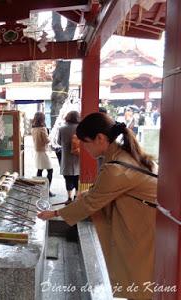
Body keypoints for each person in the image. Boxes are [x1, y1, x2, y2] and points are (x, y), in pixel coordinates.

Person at [38, 112, 157, 299]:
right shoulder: (121, 154)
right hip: (148, 225)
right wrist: (89, 193)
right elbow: (100, 192)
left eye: (85, 142)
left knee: (140, 281)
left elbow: (90, 203)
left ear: (100, 138)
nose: (83, 148)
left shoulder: (116, 168)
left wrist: (54, 214)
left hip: (146, 230)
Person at [31, 112, 55, 197]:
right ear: (42, 119)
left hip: (37, 152)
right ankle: (47, 190)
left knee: (40, 170)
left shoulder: (33, 128)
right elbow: (47, 140)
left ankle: (38, 190)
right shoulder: (42, 129)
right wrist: (51, 136)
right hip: (43, 152)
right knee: (50, 170)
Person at [58, 111, 80, 203]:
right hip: (78, 157)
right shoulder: (80, 129)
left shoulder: (62, 129)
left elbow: (59, 142)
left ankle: (69, 198)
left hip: (66, 157)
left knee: (68, 179)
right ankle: (76, 196)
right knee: (77, 178)